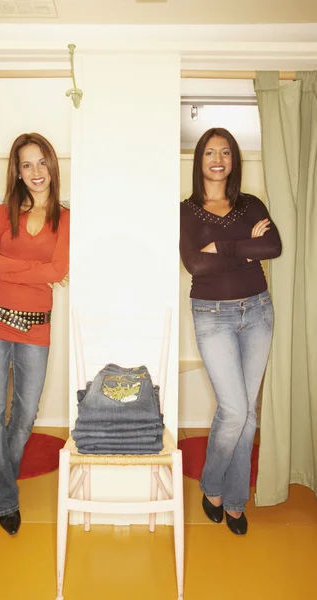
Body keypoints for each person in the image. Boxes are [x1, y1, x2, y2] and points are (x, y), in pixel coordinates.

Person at [179, 127, 281, 535]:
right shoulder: (185, 210)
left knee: (248, 416)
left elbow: (272, 247)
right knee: (234, 410)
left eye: (225, 152)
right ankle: (211, 486)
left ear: (233, 160)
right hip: (212, 315)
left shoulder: (251, 204)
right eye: (209, 152)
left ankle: (235, 499)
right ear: (199, 160)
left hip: (258, 312)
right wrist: (243, 247)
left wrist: (222, 247)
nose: (217, 159)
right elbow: (194, 265)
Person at [0, 132, 70, 535]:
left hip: (34, 323)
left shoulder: (64, 217)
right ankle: (6, 501)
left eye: (41, 162)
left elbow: (57, 271)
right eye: (26, 164)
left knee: (25, 414)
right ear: (17, 170)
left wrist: (4, 263)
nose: (35, 172)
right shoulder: (2, 211)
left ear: (52, 165)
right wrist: (31, 273)